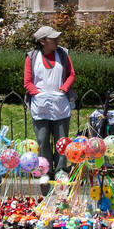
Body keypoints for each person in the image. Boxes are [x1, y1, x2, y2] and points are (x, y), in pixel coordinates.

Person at [24, 25, 75, 175]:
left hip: (60, 103)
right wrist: (37, 94)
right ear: (43, 41)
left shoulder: (63, 55)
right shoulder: (32, 57)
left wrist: (64, 89)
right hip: (40, 105)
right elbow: (27, 82)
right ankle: (45, 169)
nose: (57, 40)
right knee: (43, 139)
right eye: (53, 38)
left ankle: (60, 169)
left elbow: (71, 74)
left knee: (62, 140)